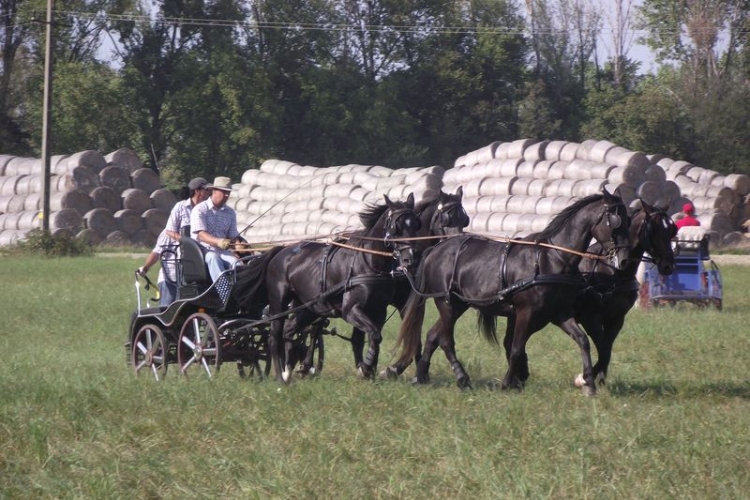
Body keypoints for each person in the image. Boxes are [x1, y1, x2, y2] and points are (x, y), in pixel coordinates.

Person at [190, 176, 246, 281]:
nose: (226, 195)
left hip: (223, 252)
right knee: (213, 258)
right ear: (214, 191)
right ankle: (224, 292)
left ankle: (239, 291)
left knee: (236, 263)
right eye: (224, 191)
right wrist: (219, 241)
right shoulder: (200, 209)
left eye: (228, 192)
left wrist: (237, 244)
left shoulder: (230, 212)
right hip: (203, 252)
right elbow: (201, 235)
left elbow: (232, 234)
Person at [137, 229, 178, 306]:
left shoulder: (195, 231)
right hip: (169, 278)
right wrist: (145, 268)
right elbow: (157, 252)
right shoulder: (168, 233)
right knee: (167, 310)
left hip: (190, 280)